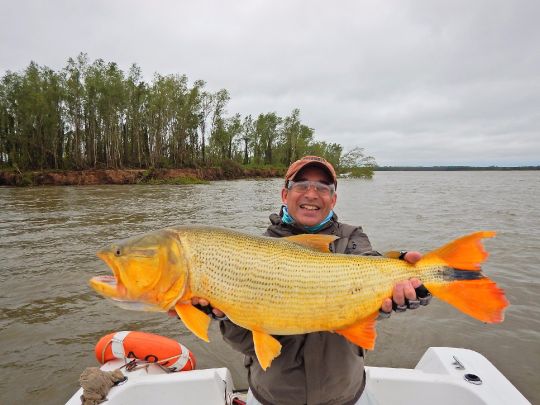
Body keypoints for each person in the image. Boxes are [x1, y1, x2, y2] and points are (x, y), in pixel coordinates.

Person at [192, 155, 430, 405]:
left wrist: (405, 273)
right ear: (285, 195)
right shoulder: (253, 250)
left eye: (322, 188)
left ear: (333, 199)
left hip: (345, 395)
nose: (311, 194)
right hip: (274, 396)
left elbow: (370, 265)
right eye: (302, 185)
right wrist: (224, 317)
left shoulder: (352, 239)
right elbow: (245, 343)